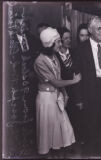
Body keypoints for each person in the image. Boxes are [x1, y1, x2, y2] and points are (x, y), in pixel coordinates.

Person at [34, 27, 81, 156]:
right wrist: (74, 81)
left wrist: (65, 94)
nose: (61, 44)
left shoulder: (54, 57)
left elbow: (59, 79)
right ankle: (48, 154)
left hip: (56, 96)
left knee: (63, 126)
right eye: (58, 41)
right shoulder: (40, 61)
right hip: (46, 99)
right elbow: (54, 82)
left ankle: (58, 152)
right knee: (47, 130)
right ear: (50, 44)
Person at [74, 16, 101, 156]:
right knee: (90, 122)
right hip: (90, 89)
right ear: (90, 30)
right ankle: (89, 152)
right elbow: (77, 75)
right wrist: (79, 99)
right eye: (99, 29)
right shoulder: (81, 49)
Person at [56, 27, 84, 144]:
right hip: (62, 92)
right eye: (65, 38)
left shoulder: (74, 52)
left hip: (76, 91)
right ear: (60, 40)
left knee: (77, 118)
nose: (68, 40)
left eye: (70, 38)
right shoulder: (55, 56)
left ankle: (76, 141)